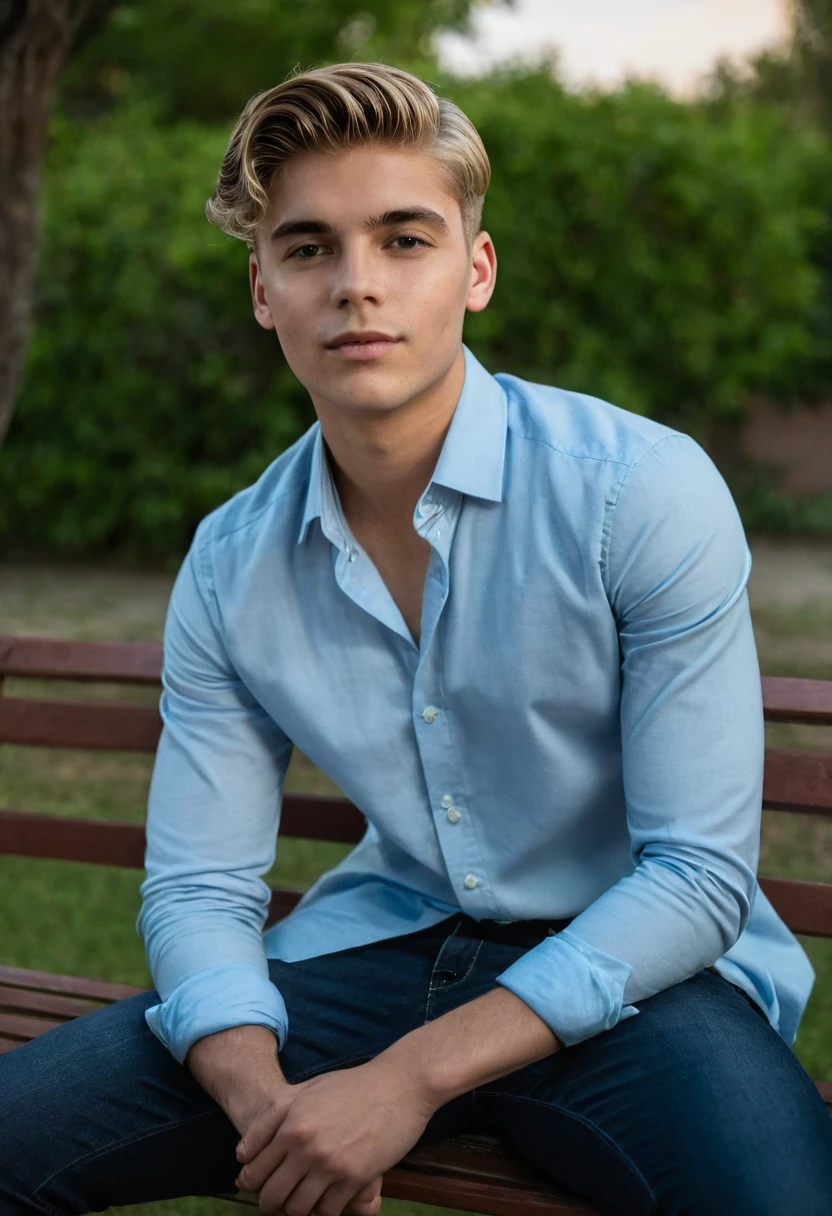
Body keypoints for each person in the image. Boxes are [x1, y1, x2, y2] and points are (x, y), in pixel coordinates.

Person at [2, 61, 831, 1216]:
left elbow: (695, 876)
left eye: (403, 240)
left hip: (645, 980)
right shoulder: (233, 561)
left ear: (473, 269)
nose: (355, 287)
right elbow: (197, 887)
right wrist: (262, 1098)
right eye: (308, 249)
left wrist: (401, 1083)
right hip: (380, 957)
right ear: (261, 289)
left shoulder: (635, 491)